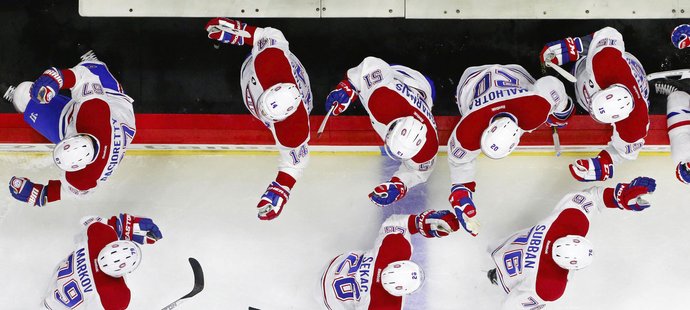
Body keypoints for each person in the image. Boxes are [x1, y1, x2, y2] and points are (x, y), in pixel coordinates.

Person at [487, 177, 655, 309]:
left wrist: (620, 196)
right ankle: (496, 276)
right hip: (511, 276)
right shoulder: (550, 287)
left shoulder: (571, 221)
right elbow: (511, 306)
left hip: (506, 247)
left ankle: (495, 272)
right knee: (512, 283)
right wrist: (619, 197)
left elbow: (591, 197)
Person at [205, 18, 313, 220]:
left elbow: (297, 162)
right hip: (255, 66)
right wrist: (242, 32)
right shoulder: (270, 61)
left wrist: (282, 188)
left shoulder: (293, 128)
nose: (263, 115)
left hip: (266, 83)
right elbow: (270, 35)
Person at [447, 64, 572, 237]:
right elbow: (552, 86)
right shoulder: (534, 111)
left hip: (473, 79)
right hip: (485, 76)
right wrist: (561, 113)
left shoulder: (534, 112)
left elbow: (459, 162)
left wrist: (461, 194)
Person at [3, 51, 136, 207]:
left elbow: (72, 191)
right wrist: (57, 79)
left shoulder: (82, 179)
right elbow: (84, 76)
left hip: (77, 124)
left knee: (22, 95)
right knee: (92, 68)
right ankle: (96, 64)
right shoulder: (95, 112)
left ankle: (24, 102)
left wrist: (41, 195)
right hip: (115, 105)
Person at [325, 56, 439, 207]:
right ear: (391, 129)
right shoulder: (381, 101)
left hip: (426, 88)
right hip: (397, 74)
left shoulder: (428, 149)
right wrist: (348, 87)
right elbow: (372, 66)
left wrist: (399, 184)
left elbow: (419, 172)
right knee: (371, 86)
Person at [540, 26, 650, 182]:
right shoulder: (606, 62)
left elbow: (622, 153)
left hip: (622, 79)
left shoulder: (635, 126)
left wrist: (601, 164)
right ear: (607, 89)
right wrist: (575, 47)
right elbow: (609, 34)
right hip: (586, 68)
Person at [320, 210, 459, 309]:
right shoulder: (384, 306)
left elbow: (396, 223)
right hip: (328, 303)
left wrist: (422, 223)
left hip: (333, 266)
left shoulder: (393, 249)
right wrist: (421, 223)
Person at [43, 213, 162, 309]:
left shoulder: (100, 232)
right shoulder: (116, 296)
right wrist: (125, 227)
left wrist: (119, 227)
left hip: (54, 286)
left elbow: (86, 220)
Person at [649, 72, 690, 184]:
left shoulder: (683, 154)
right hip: (680, 106)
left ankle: (671, 88)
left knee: (678, 94)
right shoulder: (679, 159)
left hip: (680, 100)